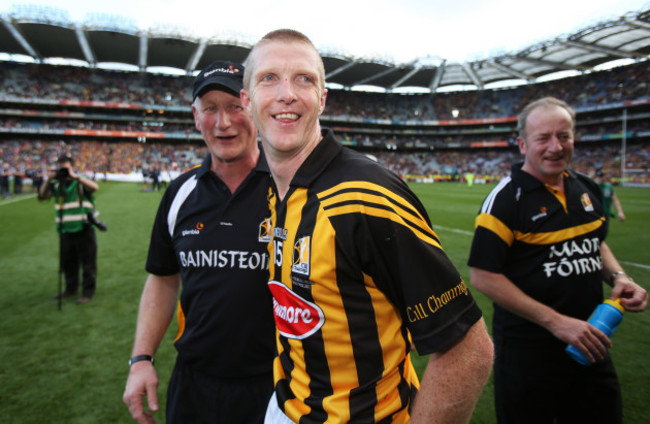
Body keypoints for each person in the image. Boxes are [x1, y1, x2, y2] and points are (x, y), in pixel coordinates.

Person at [241, 29, 494, 424]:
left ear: (322, 99)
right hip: (286, 406)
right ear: (247, 100)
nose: (286, 93)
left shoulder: (366, 195)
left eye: (304, 79)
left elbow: (469, 349)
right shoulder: (274, 192)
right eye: (268, 78)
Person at [467, 97, 648, 424]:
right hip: (529, 355)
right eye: (543, 138)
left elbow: (594, 242)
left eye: (564, 136)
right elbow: (482, 275)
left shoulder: (586, 187)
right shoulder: (505, 201)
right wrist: (556, 322)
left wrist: (619, 276)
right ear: (523, 144)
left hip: (591, 343)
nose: (556, 146)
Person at [122, 61, 275, 424]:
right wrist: (141, 358)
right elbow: (162, 278)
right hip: (194, 384)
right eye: (210, 109)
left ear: (253, 108)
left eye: (235, 106)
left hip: (278, 385)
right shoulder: (179, 193)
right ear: (195, 116)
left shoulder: (291, 190)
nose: (223, 122)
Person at [38, 154, 99, 305]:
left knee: (88, 262)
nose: (64, 172)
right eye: (61, 169)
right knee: (68, 262)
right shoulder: (57, 184)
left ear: (72, 167)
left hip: (83, 227)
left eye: (66, 168)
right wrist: (49, 179)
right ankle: (70, 288)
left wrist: (75, 176)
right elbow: (42, 196)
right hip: (65, 229)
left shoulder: (79, 181)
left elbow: (94, 187)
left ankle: (87, 292)